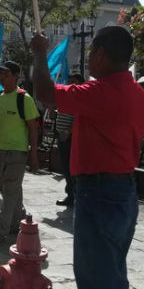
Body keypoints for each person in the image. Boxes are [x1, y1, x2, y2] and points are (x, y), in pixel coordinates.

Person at [31, 26, 144, 289]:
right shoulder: (136, 93)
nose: (88, 58)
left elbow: (45, 93)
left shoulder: (103, 91)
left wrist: (39, 54)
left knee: (97, 278)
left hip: (100, 193)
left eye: (91, 52)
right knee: (112, 272)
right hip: (123, 191)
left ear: (100, 54)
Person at [0, 61, 40, 245]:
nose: (2, 77)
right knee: (6, 188)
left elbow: (33, 128)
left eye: (6, 74)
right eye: (1, 74)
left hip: (18, 151)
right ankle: (21, 220)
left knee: (10, 191)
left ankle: (0, 231)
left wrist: (33, 154)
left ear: (16, 75)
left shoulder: (24, 98)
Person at [54, 73, 84, 207]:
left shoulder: (80, 99)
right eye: (69, 81)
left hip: (72, 138)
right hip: (62, 137)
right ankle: (70, 195)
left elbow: (78, 119)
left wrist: (68, 132)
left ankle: (77, 196)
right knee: (66, 168)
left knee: (74, 169)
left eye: (74, 82)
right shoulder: (66, 98)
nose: (71, 84)